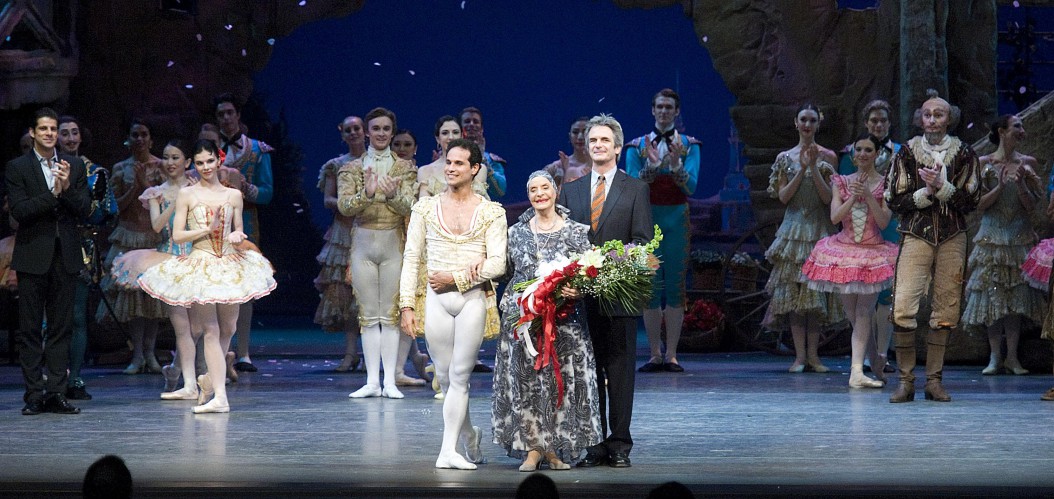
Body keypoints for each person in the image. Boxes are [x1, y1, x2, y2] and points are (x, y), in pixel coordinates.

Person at [138, 140, 276, 413]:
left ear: (218, 161)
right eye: (200, 163)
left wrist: (237, 235)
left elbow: (237, 230)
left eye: (209, 162)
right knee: (210, 330)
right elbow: (177, 235)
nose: (205, 167)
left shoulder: (233, 195)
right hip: (200, 262)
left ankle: (210, 381)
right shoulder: (187, 195)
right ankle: (221, 398)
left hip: (228, 262)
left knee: (229, 328)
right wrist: (206, 230)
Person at [399, 138, 507, 470]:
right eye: (448, 162)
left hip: (471, 299)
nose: (450, 168)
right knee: (445, 377)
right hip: (436, 302)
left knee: (460, 375)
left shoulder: (491, 212)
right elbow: (412, 257)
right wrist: (405, 305)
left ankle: (448, 450)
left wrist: (457, 278)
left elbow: (497, 264)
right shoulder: (425, 208)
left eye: (459, 163)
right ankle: (470, 433)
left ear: (475, 169)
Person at [557, 114, 652, 469]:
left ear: (617, 147)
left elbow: (642, 241)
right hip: (581, 297)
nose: (597, 145)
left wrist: (615, 266)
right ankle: (594, 443)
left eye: (604, 140)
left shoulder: (636, 189)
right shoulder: (572, 189)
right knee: (587, 370)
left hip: (618, 295)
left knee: (621, 369)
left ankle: (620, 443)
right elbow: (566, 243)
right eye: (592, 140)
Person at [492, 171, 601, 471]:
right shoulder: (517, 233)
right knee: (528, 386)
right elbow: (505, 273)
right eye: (532, 189)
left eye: (544, 188)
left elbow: (590, 275)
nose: (539, 194)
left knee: (558, 384)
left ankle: (554, 449)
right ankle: (532, 449)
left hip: (565, 324)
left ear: (555, 191)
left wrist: (578, 289)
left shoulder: (577, 232)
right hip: (525, 324)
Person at [885, 89, 981, 403]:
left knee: (946, 308)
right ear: (920, 119)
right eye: (927, 114)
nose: (932, 120)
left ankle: (934, 381)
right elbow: (893, 198)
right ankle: (905, 381)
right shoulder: (907, 153)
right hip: (916, 234)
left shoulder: (964, 152)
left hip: (952, 234)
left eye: (938, 114)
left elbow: (971, 200)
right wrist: (925, 192)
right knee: (903, 306)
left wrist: (942, 187)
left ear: (948, 119)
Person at [7, 107, 90, 415]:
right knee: (30, 329)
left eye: (53, 129)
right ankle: (33, 395)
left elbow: (84, 209)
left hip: (65, 255)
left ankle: (56, 391)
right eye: (43, 129)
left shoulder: (75, 165)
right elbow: (20, 210)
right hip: (32, 255)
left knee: (61, 327)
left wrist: (66, 190)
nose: (50, 134)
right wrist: (53, 195)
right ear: (33, 132)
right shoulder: (18, 167)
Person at [801, 134, 898, 388]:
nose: (863, 154)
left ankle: (856, 371)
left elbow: (884, 222)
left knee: (864, 310)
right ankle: (875, 361)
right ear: (853, 154)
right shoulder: (841, 181)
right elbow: (834, 217)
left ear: (876, 154)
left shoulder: (886, 184)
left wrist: (867, 194)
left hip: (872, 253)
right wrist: (855, 197)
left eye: (868, 150)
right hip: (843, 251)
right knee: (853, 314)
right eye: (859, 150)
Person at [338, 107, 418, 399]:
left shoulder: (406, 168)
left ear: (392, 132)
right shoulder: (351, 168)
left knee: (390, 314)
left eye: (386, 128)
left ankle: (390, 382)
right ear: (368, 132)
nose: (381, 133)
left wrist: (393, 195)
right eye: (376, 128)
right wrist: (367, 193)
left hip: (393, 241)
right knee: (369, 315)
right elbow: (345, 207)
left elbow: (411, 206)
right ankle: (372, 381)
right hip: (363, 242)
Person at [111, 140, 197, 399]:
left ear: (187, 162)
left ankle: (184, 369)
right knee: (183, 325)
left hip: (196, 256)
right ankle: (185, 375)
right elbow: (158, 226)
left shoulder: (198, 189)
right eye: (167, 157)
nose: (170, 162)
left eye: (176, 157)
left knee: (200, 324)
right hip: (170, 256)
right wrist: (176, 201)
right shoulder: (156, 193)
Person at [763, 103, 844, 373]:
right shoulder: (785, 157)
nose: (807, 125)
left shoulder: (829, 157)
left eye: (812, 120)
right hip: (794, 230)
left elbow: (827, 199)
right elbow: (784, 197)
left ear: (818, 124)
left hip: (819, 229)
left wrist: (815, 168)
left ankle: (814, 356)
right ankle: (799, 356)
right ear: (796, 123)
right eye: (803, 120)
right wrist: (803, 168)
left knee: (816, 296)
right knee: (797, 297)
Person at [624, 89, 701, 373]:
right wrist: (652, 168)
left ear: (677, 111)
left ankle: (672, 354)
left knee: (675, 285)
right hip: (648, 217)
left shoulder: (690, 145)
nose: (664, 111)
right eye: (660, 106)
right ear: (652, 110)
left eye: (669, 107)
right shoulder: (636, 146)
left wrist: (677, 165)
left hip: (677, 217)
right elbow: (632, 186)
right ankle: (655, 353)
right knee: (651, 287)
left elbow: (691, 186)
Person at [962, 115, 1044, 375]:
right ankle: (995, 356)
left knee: (1016, 299)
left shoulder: (1027, 163)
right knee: (992, 296)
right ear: (1002, 131)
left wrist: (1020, 184)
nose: (1022, 130)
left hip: (1018, 237)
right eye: (1016, 125)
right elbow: (976, 205)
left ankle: (1013, 357)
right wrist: (998, 187)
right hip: (992, 237)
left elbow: (1032, 207)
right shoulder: (984, 163)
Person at [838, 100, 902, 375]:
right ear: (867, 123)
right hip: (855, 226)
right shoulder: (850, 154)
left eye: (883, 121)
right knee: (857, 295)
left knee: (885, 292)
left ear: (889, 124)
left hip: (888, 223)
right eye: (874, 121)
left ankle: (882, 353)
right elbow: (841, 189)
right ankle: (865, 354)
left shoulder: (900, 153)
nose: (878, 125)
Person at [57, 115, 118, 400]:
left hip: (81, 247)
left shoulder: (97, 173)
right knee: (49, 318)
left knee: (77, 316)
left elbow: (99, 214)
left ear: (81, 137)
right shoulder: (44, 169)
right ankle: (52, 376)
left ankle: (76, 378)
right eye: (64, 133)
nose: (69, 138)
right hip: (48, 245)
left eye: (74, 133)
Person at [214, 93, 274, 374]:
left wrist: (245, 188)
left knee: (245, 289)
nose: (226, 118)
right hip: (213, 224)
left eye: (230, 112)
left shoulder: (257, 150)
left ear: (238, 115)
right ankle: (219, 349)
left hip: (245, 223)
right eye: (221, 114)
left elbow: (268, 193)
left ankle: (245, 352)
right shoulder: (209, 150)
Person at [100, 119, 166, 375]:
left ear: (150, 139)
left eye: (144, 134)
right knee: (134, 299)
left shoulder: (161, 167)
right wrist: (135, 186)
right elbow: (115, 206)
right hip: (129, 237)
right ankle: (137, 353)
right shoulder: (119, 168)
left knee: (153, 300)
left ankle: (150, 352)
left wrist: (145, 185)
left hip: (153, 238)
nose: (139, 139)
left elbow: (162, 202)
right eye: (135, 134)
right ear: (128, 139)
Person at [315, 116, 364, 373]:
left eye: (357, 128)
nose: (354, 133)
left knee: (370, 293)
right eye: (349, 130)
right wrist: (350, 205)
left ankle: (373, 353)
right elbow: (328, 199)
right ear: (342, 134)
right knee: (346, 293)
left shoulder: (375, 162)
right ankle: (350, 353)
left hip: (370, 229)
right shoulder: (336, 165)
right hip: (344, 232)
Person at [417, 115, 488, 199]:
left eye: (455, 132)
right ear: (437, 139)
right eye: (445, 133)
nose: (451, 137)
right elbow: (424, 206)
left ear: (462, 135)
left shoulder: (479, 169)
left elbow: (477, 201)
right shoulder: (425, 171)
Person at [460, 106, 506, 200]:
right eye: (467, 121)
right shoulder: (449, 158)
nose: (471, 124)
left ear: (481, 129)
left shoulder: (491, 159)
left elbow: (500, 191)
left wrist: (482, 160)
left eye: (475, 121)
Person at [543, 116, 592, 190]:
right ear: (570, 136)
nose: (580, 137)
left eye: (585, 132)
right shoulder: (556, 168)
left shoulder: (603, 166)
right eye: (575, 132)